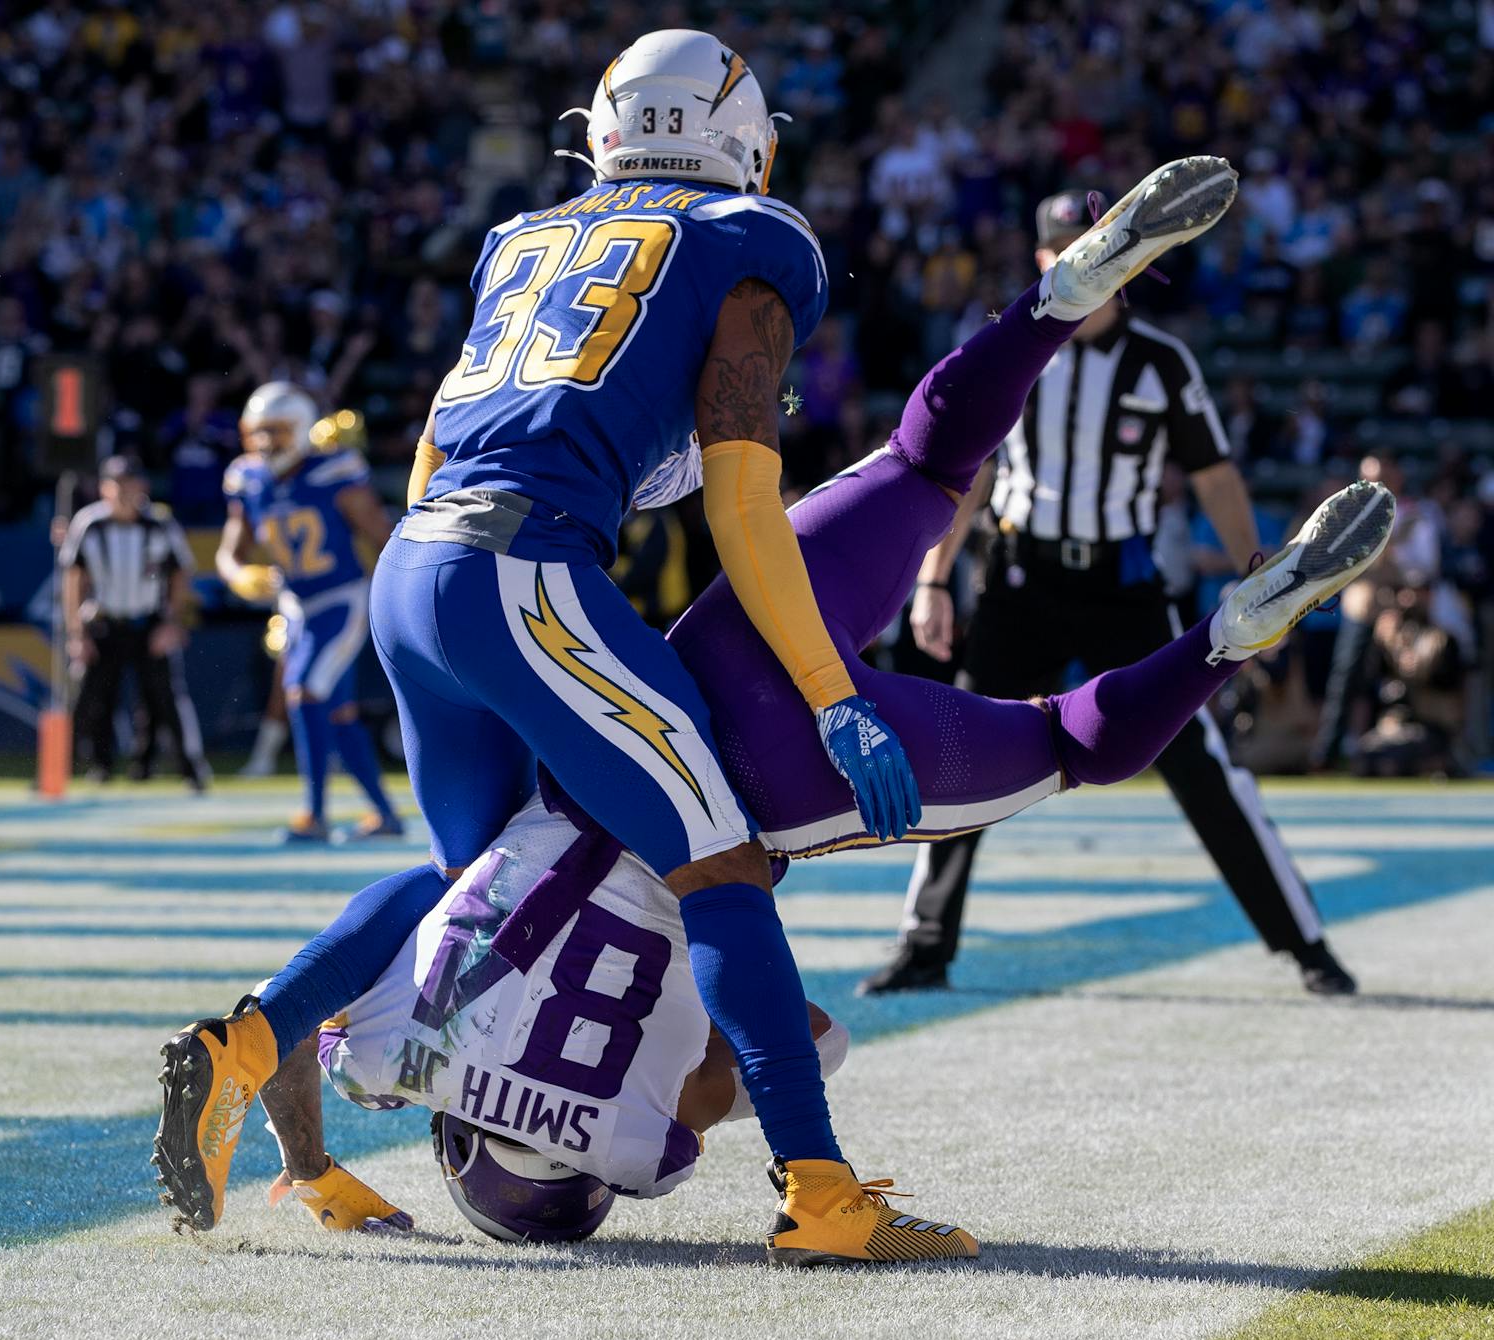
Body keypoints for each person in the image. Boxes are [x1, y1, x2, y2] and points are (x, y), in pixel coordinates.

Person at [156, 44, 1236, 1265]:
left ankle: (241, 1045)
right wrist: (832, 696)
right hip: (525, 570)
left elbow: (430, 454)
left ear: (605, 131)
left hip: (420, 565)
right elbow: (740, 506)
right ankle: (822, 1195)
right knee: (720, 863)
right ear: (740, 137)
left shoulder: (525, 239)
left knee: (476, 877)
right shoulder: (744, 248)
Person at [247, 264, 1392, 1251]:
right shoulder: (391, 1046)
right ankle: (1050, 304)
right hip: (677, 690)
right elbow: (350, 974)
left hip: (769, 801)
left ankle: (1226, 638)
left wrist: (695, 1076)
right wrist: (307, 1155)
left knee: (1060, 738)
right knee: (919, 471)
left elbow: (788, 1038)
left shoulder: (640, 1148)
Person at [875, 188, 1357, 999]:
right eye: (1075, 247)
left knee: (1200, 762)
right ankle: (925, 944)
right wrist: (932, 578)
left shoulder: (1162, 360)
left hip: (1124, 587)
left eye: (1110, 244)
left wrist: (1257, 572)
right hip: (1019, 579)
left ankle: (1303, 943)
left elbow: (1214, 473)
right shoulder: (1009, 348)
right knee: (961, 753)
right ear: (1044, 262)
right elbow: (967, 470)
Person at [216, 384, 402, 842]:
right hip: (295, 607)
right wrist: (240, 576)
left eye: (274, 432)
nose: (263, 443)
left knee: (303, 692)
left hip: (342, 599)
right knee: (336, 711)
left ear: (299, 430)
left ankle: (314, 815)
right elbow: (228, 553)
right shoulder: (248, 478)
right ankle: (385, 816)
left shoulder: (333, 471)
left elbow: (383, 536)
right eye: (256, 433)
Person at [62, 455, 209, 790]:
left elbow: (180, 575)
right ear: (104, 488)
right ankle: (87, 767)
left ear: (142, 487)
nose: (125, 493)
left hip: (148, 622)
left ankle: (187, 769)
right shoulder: (89, 524)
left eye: (131, 484)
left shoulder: (159, 523)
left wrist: (171, 623)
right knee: (93, 698)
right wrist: (76, 633)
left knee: (164, 698)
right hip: (104, 621)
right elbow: (74, 581)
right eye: (117, 485)